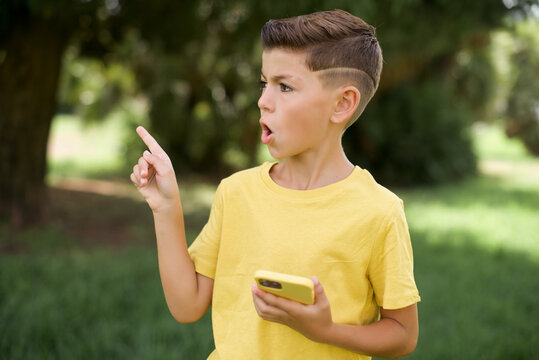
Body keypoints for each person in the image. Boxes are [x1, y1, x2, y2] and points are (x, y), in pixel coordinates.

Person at [130, 9, 420, 360]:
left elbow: (403, 335)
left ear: (342, 103)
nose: (264, 100)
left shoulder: (379, 212)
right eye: (264, 83)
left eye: (284, 86)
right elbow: (186, 306)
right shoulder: (235, 192)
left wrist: (325, 332)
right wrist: (165, 207)